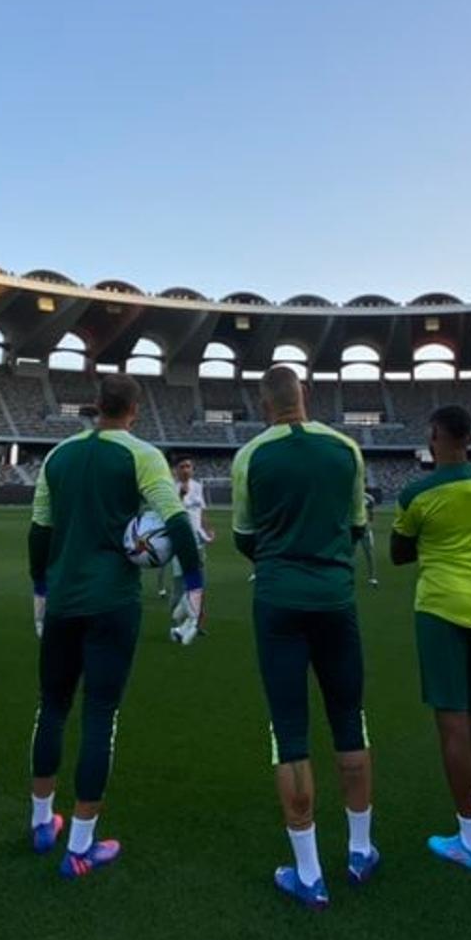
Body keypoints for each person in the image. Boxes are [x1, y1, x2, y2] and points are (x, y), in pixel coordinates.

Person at [28, 374, 205, 878]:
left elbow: (39, 531)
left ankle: (42, 823)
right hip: (113, 602)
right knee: (100, 713)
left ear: (95, 406)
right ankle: (80, 846)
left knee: (52, 706)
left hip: (63, 598)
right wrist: (194, 586)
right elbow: (176, 524)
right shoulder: (142, 455)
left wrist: (40, 589)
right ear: (134, 409)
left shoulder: (58, 455)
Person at [231, 365, 375, 908]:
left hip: (277, 602)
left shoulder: (251, 455)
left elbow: (246, 536)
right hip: (335, 600)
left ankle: (309, 874)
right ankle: (361, 851)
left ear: (264, 403)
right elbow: (357, 525)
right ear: (305, 396)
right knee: (349, 720)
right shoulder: (345, 448)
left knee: (290, 731)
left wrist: (278, 558)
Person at [393, 405, 471, 875]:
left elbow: (399, 553)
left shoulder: (418, 492)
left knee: (452, 723)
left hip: (440, 607)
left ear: (436, 436)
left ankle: (468, 837)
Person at [166, 456, 216, 641]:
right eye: (182, 466)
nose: (186, 469)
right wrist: (179, 496)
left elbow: (199, 511)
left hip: (198, 542)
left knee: (199, 585)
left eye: (189, 466)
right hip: (179, 543)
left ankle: (197, 624)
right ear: (175, 470)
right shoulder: (169, 488)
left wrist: (207, 529)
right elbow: (169, 512)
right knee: (180, 587)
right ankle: (176, 625)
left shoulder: (197, 486)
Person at [357, 485, 381, 587]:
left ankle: (372, 578)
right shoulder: (350, 495)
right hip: (352, 529)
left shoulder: (368, 498)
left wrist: (369, 525)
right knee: (348, 553)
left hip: (365, 529)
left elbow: (371, 514)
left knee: (369, 553)